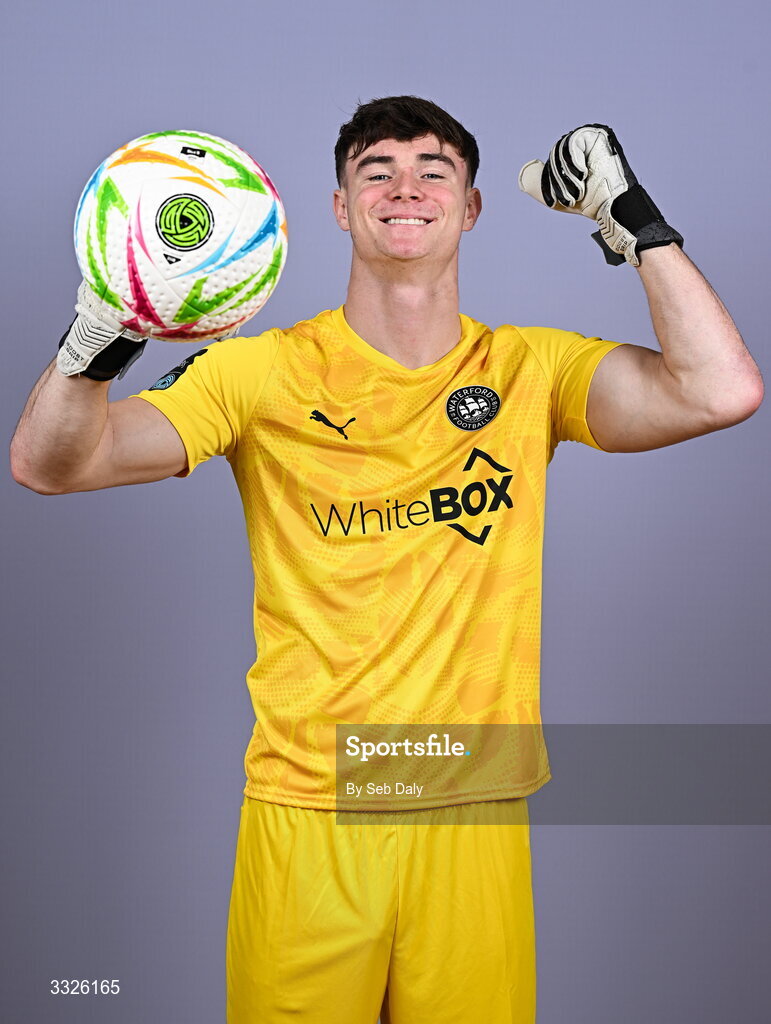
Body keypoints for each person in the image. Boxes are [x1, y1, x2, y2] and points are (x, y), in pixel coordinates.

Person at [10, 97, 764, 1023]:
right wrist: (97, 338)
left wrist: (633, 221)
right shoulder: (260, 373)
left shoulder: (528, 371)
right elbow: (54, 464)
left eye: (432, 169)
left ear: (472, 207)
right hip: (313, 811)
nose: (405, 186)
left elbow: (720, 390)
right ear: (338, 206)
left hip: (472, 806)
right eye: (377, 170)